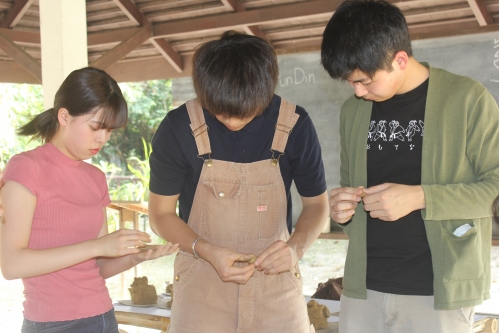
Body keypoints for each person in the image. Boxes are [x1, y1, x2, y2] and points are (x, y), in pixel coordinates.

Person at [320, 1, 499, 332]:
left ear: (400, 60)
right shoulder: (353, 112)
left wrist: (420, 197)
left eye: (365, 81)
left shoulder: (467, 99)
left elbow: (495, 189)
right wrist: (343, 210)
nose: (357, 92)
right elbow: (350, 191)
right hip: (362, 290)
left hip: (438, 293)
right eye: (350, 82)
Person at [148, 31, 329, 333]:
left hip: (276, 287)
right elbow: (160, 214)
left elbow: (317, 204)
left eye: (244, 111)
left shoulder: (295, 123)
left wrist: (295, 248)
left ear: (266, 91)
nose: (231, 121)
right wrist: (205, 249)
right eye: (219, 110)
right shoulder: (177, 128)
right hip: (202, 282)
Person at [0, 67, 179, 333]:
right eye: (95, 127)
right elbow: (12, 265)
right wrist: (97, 246)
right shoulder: (26, 168)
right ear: (64, 116)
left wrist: (137, 257)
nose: (102, 139)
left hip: (103, 316)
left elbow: (97, 267)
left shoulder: (95, 177)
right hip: (53, 324)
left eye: (109, 131)